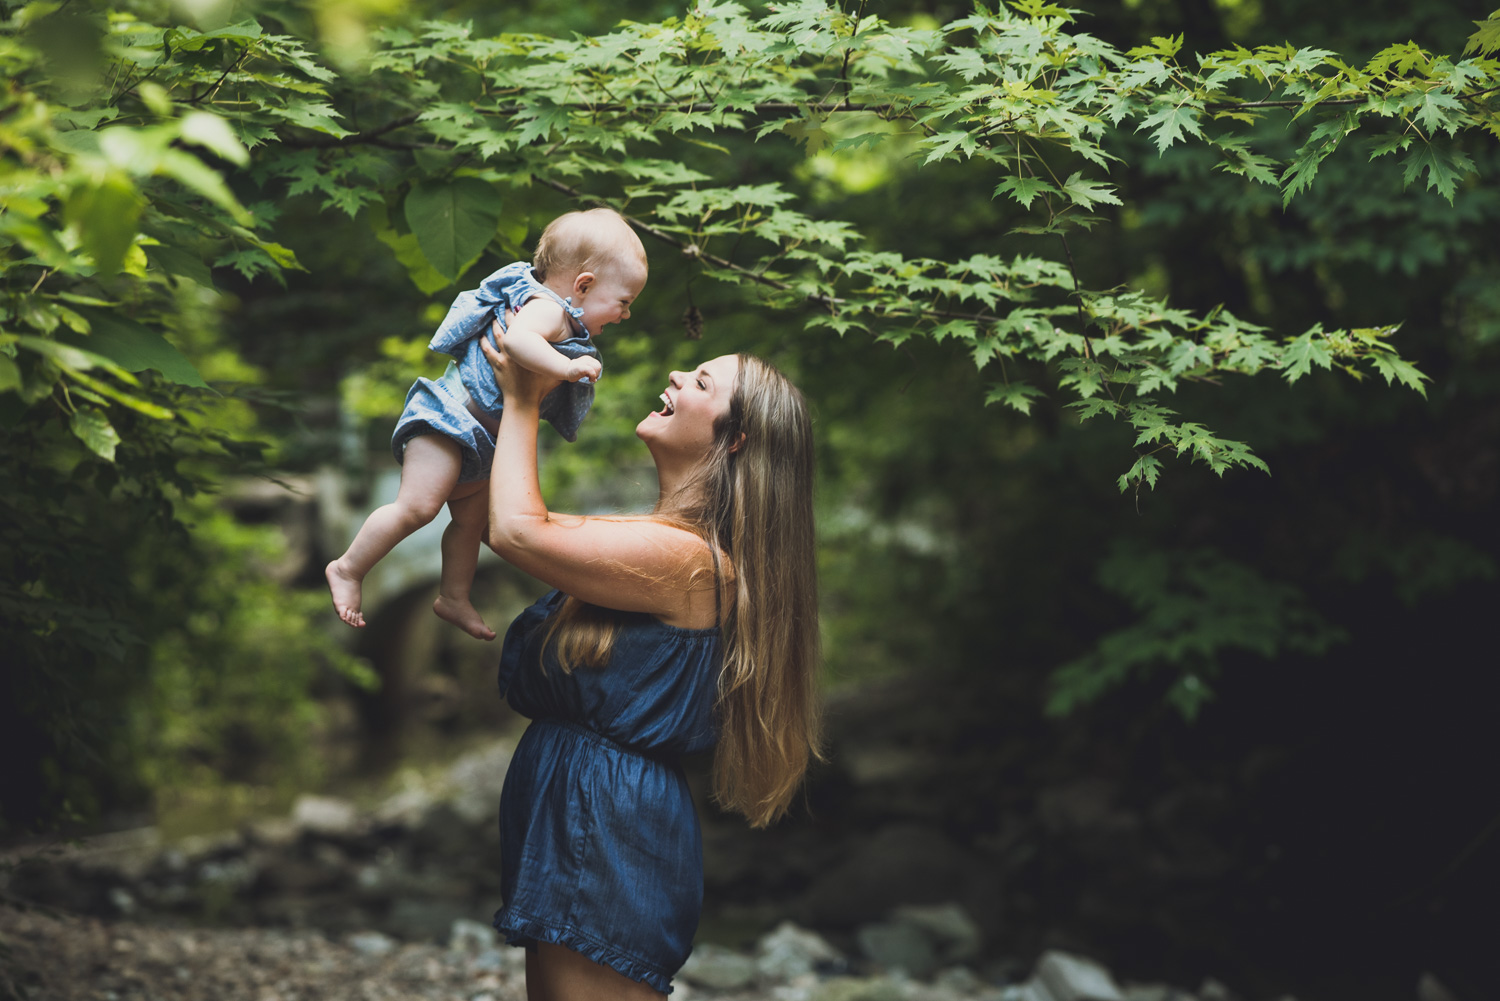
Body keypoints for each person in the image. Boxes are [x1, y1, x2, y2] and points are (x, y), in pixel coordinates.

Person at [479, 323, 821, 999]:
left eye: (700, 382)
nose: (675, 377)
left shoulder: (689, 563)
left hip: (605, 817)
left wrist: (522, 396)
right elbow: (522, 518)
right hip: (590, 808)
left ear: (737, 437)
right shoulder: (662, 543)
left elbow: (517, 529)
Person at [326, 208, 648, 640]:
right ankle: (348, 568)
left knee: (470, 524)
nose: (625, 315)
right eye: (623, 302)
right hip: (448, 422)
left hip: (481, 442)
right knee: (418, 508)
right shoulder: (546, 312)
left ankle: (453, 597)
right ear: (583, 285)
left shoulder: (561, 316)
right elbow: (517, 342)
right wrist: (566, 369)